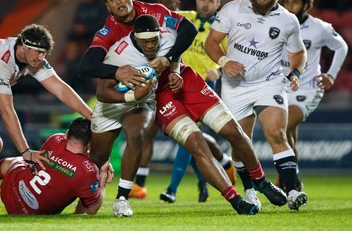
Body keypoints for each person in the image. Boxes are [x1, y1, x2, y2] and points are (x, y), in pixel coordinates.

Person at [96, 14, 288, 216]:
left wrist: (176, 70)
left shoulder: (168, 34)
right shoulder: (120, 53)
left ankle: (261, 182)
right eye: (146, 42)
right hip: (160, 98)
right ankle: (236, 200)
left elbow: (179, 46)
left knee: (234, 131)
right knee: (198, 146)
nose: (151, 46)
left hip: (187, 81)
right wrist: (134, 95)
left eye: (154, 40)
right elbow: (102, 90)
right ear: (135, 37)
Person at [79, 0, 198, 203]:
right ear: (108, 8)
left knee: (143, 134)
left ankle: (124, 197)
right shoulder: (109, 29)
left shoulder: (155, 13)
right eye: (112, 0)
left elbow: (189, 29)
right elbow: (86, 66)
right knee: (97, 156)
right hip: (114, 96)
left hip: (156, 91)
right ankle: (78, 195)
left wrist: (168, 60)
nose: (119, 1)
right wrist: (117, 72)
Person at [0, 24, 93, 214]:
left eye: (44, 53)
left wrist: (91, 116)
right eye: (38, 52)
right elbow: (6, 111)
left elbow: (60, 88)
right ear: (24, 46)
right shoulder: (1, 60)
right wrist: (25, 152)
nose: (41, 58)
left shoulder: (32, 61)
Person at [204, 0, 308, 211]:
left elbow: (298, 52)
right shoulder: (233, 8)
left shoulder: (287, 20)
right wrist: (224, 62)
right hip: (235, 86)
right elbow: (211, 42)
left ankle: (292, 192)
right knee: (241, 144)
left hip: (269, 82)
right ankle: (251, 190)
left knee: (276, 133)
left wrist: (295, 72)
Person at [158, 0, 237, 204]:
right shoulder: (185, 18)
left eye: (210, 1)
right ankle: (209, 175)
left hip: (202, 87)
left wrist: (219, 70)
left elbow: (231, 57)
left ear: (217, 5)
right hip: (175, 84)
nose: (205, 3)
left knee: (187, 138)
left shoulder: (222, 30)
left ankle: (172, 189)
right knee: (191, 139)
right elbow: (161, 15)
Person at [279, 0, 348, 189]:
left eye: (296, 3)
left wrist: (331, 75)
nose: (291, 7)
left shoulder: (319, 27)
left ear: (306, 4)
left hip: (308, 87)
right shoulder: (277, 24)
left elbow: (341, 46)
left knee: (284, 127)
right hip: (281, 86)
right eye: (287, 2)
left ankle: (288, 177)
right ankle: (293, 177)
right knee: (288, 133)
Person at [0, 117, 113, 214]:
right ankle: (77, 214)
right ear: (90, 144)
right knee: (83, 187)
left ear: (67, 134)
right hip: (34, 211)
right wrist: (102, 175)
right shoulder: (88, 170)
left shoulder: (55, 140)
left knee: (19, 161)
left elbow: (67, 156)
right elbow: (92, 209)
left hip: (9, 192)